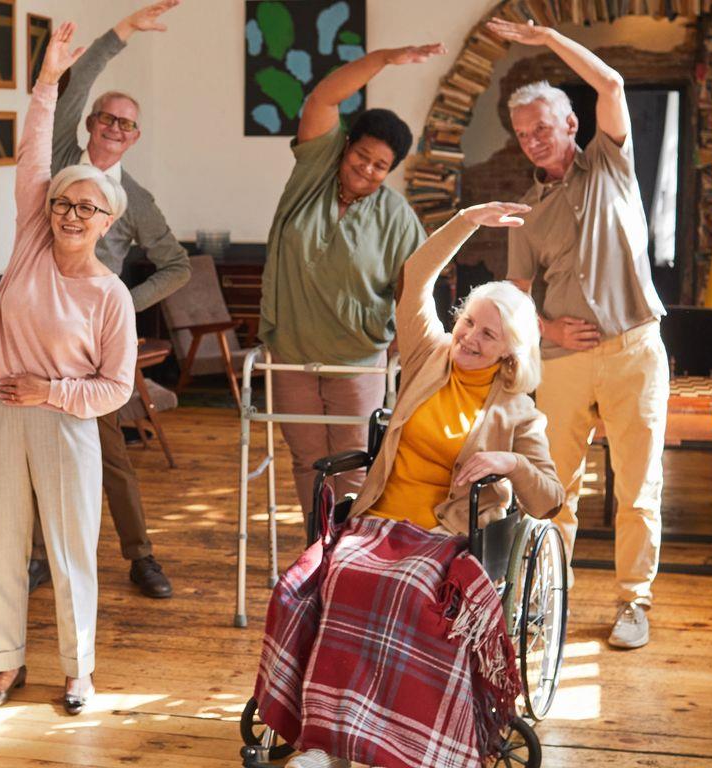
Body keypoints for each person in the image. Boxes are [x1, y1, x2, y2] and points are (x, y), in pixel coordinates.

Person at [255, 203, 565, 768]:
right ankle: (325, 741)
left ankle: (393, 741)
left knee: (405, 590)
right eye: (468, 322)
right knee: (322, 579)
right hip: (379, 519)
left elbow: (550, 497)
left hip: (444, 536)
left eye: (488, 334)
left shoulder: (518, 411)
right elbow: (416, 276)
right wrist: (467, 221)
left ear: (511, 350)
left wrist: (510, 462)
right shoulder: (429, 356)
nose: (470, 337)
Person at [0, 21, 137, 717]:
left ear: (106, 221)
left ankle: (79, 671)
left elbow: (117, 387)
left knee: (70, 552)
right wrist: (45, 83)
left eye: (85, 207)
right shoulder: (31, 240)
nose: (70, 213)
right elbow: (34, 154)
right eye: (63, 202)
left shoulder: (110, 295)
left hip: (64, 423)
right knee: (1, 544)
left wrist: (52, 391)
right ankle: (5, 662)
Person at [489, 17, 670, 650]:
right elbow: (514, 294)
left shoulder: (611, 164)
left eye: (542, 128)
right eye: (522, 135)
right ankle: (548, 600)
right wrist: (547, 326)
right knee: (554, 487)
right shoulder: (525, 212)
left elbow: (611, 83)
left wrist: (546, 40)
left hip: (635, 350)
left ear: (571, 123)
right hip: (562, 361)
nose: (533, 141)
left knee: (638, 488)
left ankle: (633, 602)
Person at [25, 0, 190, 601]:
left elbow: (177, 266)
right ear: (91, 123)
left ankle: (140, 555)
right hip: (36, 326)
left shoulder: (136, 199)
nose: (115, 128)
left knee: (110, 453)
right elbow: (77, 83)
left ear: (135, 137)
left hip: (93, 341)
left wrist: (124, 300)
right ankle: (39, 557)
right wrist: (123, 32)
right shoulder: (62, 161)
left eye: (127, 124)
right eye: (107, 119)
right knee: (37, 449)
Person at [260, 41, 444, 513]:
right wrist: (383, 59)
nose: (367, 168)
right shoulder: (313, 175)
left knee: (353, 464)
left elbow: (417, 288)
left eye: (381, 165)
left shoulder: (397, 217)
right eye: (362, 155)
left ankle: (347, 551)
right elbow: (323, 98)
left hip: (357, 361)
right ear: (345, 146)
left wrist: (402, 349)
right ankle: (315, 547)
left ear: (390, 171)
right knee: (306, 461)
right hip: (291, 353)